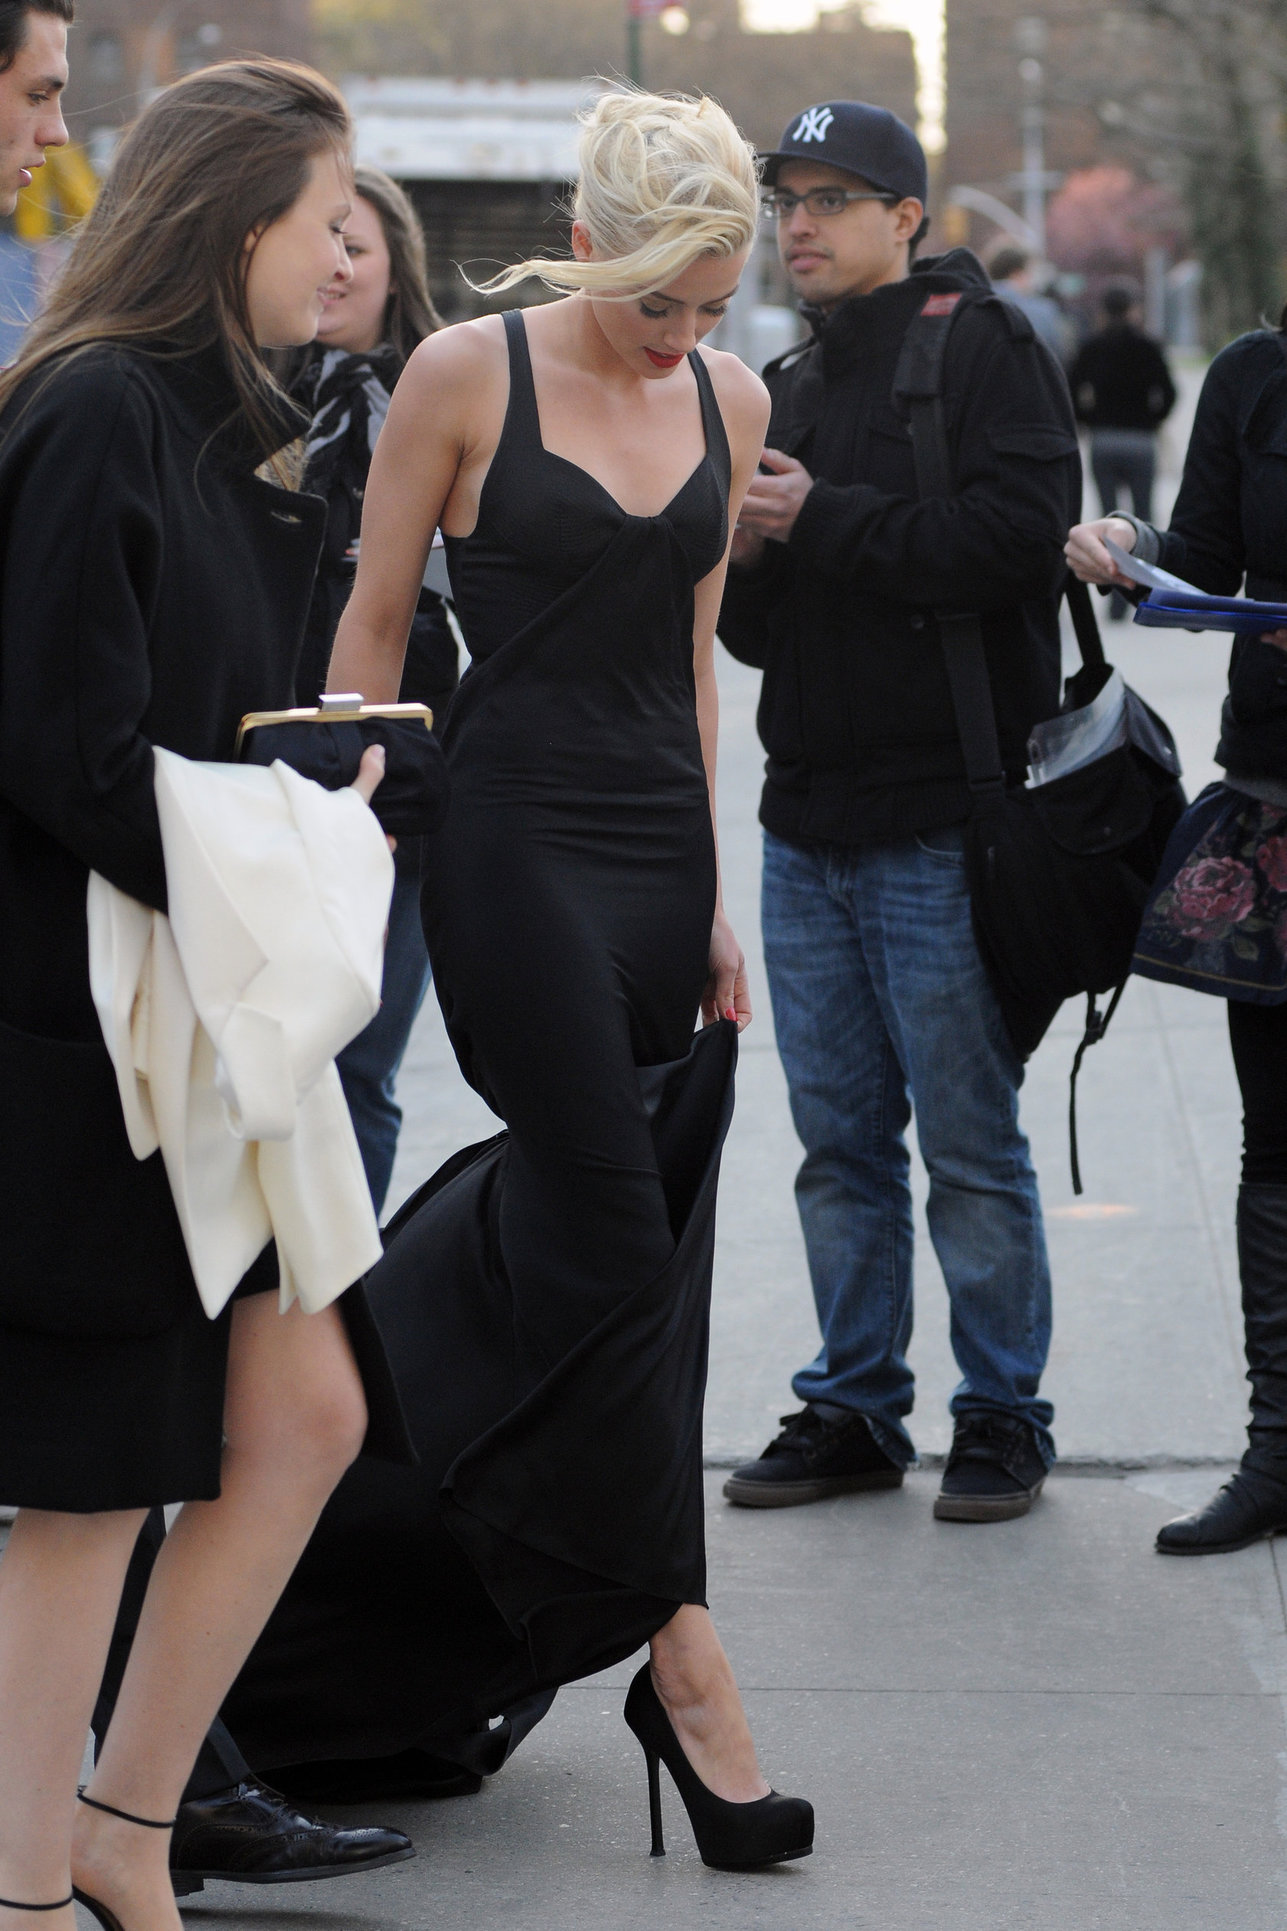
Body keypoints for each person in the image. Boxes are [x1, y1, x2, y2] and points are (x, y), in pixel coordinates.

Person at [220, 88, 815, 1872]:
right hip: (507, 842)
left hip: (650, 860)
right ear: (598, 247)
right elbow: (374, 624)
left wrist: (713, 895)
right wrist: (343, 832)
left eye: (716, 303)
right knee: (620, 1238)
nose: (688, 334)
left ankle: (361, 1504)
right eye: (664, 301)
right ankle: (682, 1669)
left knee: (607, 1248)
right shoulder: (467, 375)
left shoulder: (733, 395)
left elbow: (699, 675)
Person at [0, 56, 419, 1929]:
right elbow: (63, 750)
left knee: (307, 1416)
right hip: (96, 1016)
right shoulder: (94, 410)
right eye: (332, 211)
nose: (349, 249)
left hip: (198, 1005)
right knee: (85, 1484)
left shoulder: (212, 424)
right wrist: (297, 830)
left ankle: (122, 1823)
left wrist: (308, 772)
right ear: (242, 213)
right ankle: (30, 1884)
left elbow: (181, 720)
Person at [717, 101, 1080, 1523]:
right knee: (836, 1141)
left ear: (905, 217)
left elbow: (1015, 544)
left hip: (941, 818)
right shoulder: (786, 377)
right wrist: (741, 551)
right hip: (803, 820)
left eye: (828, 197)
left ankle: (1000, 1413)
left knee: (969, 1142)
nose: (795, 224)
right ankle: (854, 1405)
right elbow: (755, 634)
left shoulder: (981, 349)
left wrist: (820, 522)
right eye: (783, 201)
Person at [1066, 309, 1287, 1557]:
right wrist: (1132, 547)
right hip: (1275, 802)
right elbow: (1200, 553)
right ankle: (1279, 1452)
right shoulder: (1257, 376)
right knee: (1279, 1141)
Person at [292, 163, 458, 1213]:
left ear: (398, 258)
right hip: (261, 755)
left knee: (361, 1064)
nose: (340, 262)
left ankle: (344, 1318)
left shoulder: (456, 393)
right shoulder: (248, 389)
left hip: (407, 770)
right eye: (326, 238)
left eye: (359, 241)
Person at [1068, 281, 1176, 619]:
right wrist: (1152, 419)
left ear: (1103, 312)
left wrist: (1088, 419)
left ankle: (1116, 600)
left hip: (1104, 440)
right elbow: (1169, 392)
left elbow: (1071, 389)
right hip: (1141, 442)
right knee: (1141, 520)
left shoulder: (1091, 346)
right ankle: (1146, 596)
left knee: (1109, 519)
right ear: (1132, 310)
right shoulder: (1148, 346)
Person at [989, 242, 1072, 365]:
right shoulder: (1043, 310)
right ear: (1017, 274)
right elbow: (1056, 356)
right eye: (1031, 272)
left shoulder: (973, 308)